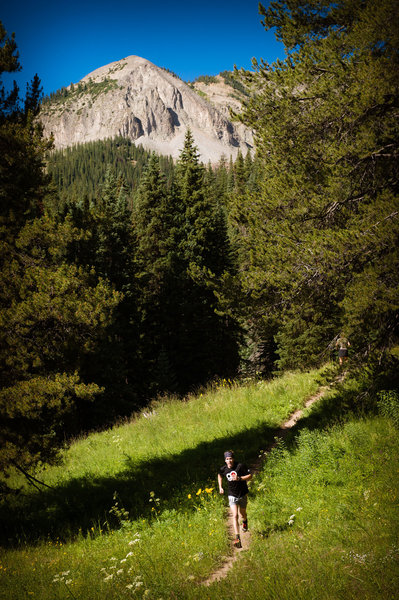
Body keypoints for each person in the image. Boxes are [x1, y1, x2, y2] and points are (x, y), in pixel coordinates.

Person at [218, 450, 252, 548]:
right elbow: (219, 475)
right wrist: (220, 487)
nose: (229, 461)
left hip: (242, 494)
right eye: (227, 459)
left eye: (231, 459)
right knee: (235, 515)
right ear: (225, 460)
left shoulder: (240, 466)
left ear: (234, 459)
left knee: (242, 514)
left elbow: (250, 476)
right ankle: (237, 538)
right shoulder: (223, 469)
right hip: (232, 495)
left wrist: (240, 479)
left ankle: (245, 521)